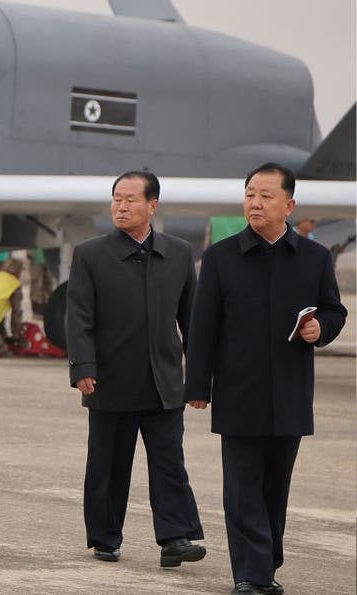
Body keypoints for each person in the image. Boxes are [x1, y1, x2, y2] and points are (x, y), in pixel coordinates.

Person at [186, 162, 346, 595]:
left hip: (290, 393)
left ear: (289, 205)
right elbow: (203, 327)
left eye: (265, 196)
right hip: (238, 392)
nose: (255, 203)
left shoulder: (314, 258)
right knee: (242, 490)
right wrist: (197, 386)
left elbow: (334, 310)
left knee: (275, 490)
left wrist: (321, 329)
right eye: (250, 195)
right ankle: (250, 575)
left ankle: (265, 566)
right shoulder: (220, 258)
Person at [65, 171, 206, 568]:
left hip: (164, 383)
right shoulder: (90, 254)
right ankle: (105, 537)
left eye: (130, 200)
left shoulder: (179, 253)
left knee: (170, 464)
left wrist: (199, 377)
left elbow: (192, 320)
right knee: (108, 466)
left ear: (152, 205)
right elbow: (79, 317)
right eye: (116, 199)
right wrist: (83, 367)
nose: (121, 207)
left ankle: (176, 539)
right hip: (109, 381)